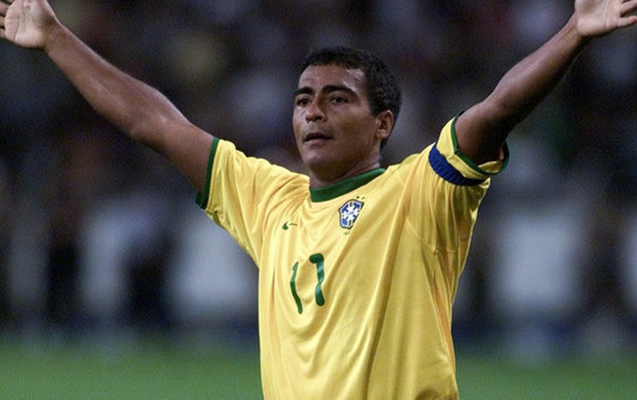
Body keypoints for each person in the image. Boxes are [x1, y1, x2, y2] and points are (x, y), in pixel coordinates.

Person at [2, 0, 636, 398]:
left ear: (383, 124)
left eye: (338, 99)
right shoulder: (268, 197)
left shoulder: (418, 193)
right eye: (304, 99)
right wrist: (55, 37)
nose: (313, 112)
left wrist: (573, 33)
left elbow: (494, 111)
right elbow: (157, 124)